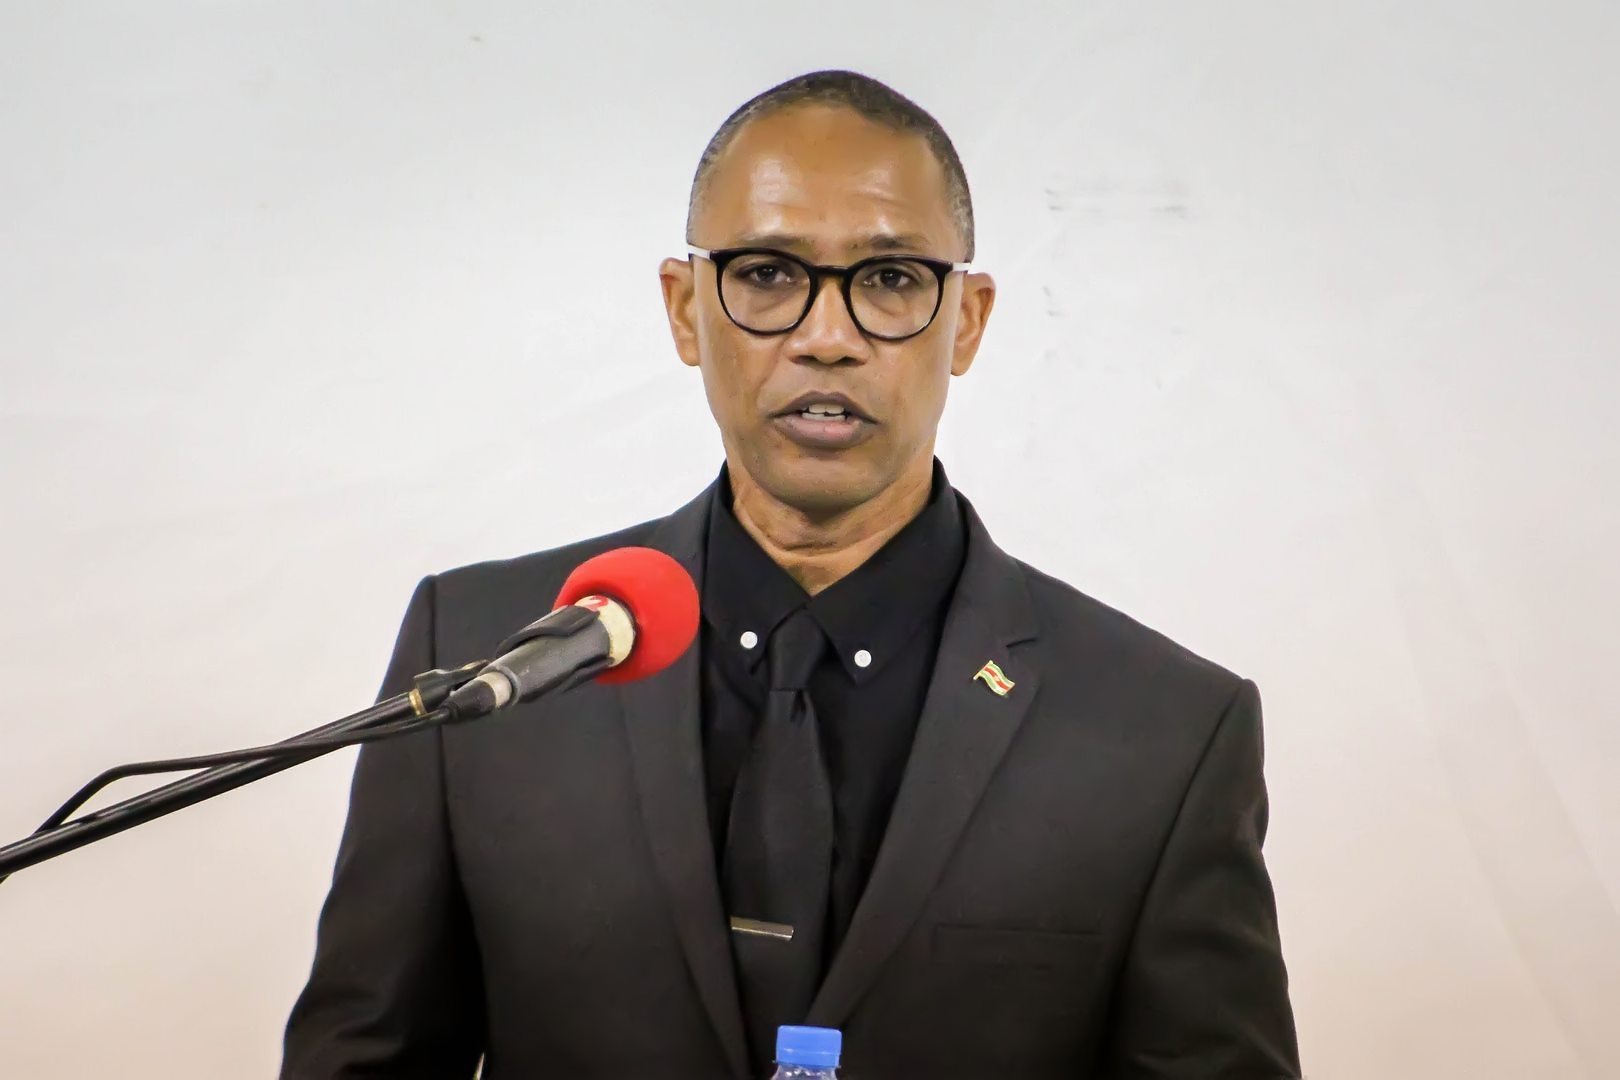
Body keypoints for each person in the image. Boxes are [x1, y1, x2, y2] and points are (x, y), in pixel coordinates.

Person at [281, 69, 1301, 1080]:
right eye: (768, 273)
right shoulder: (485, 663)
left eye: (890, 280)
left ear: (968, 320)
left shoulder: (1164, 734)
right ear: (686, 308)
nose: (827, 337)